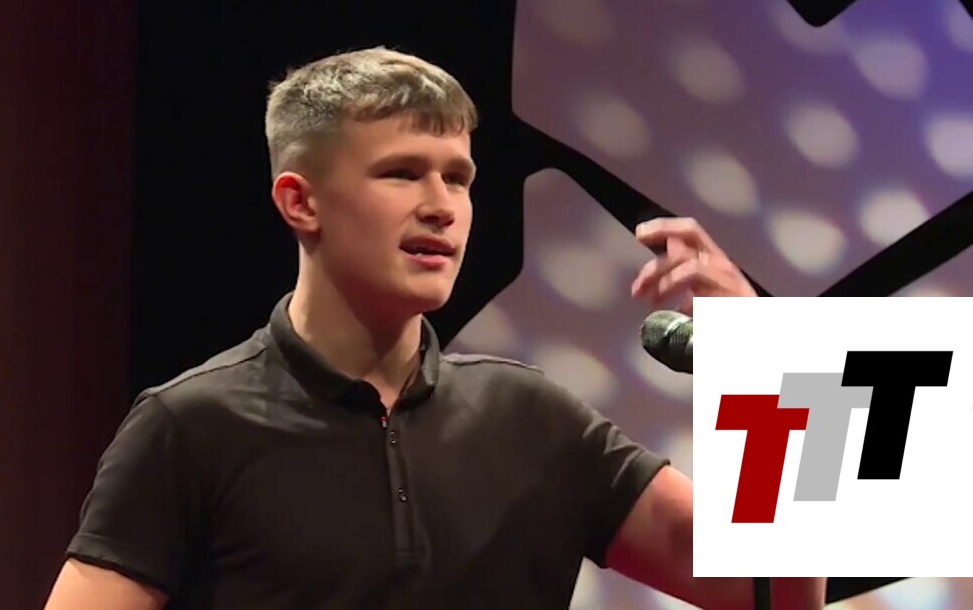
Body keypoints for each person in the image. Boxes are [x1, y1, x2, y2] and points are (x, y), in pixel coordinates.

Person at [43, 47, 823, 610]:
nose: (442, 206)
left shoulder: (533, 418)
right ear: (299, 202)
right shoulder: (190, 425)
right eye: (402, 172)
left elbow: (778, 591)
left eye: (458, 177)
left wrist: (775, 361)